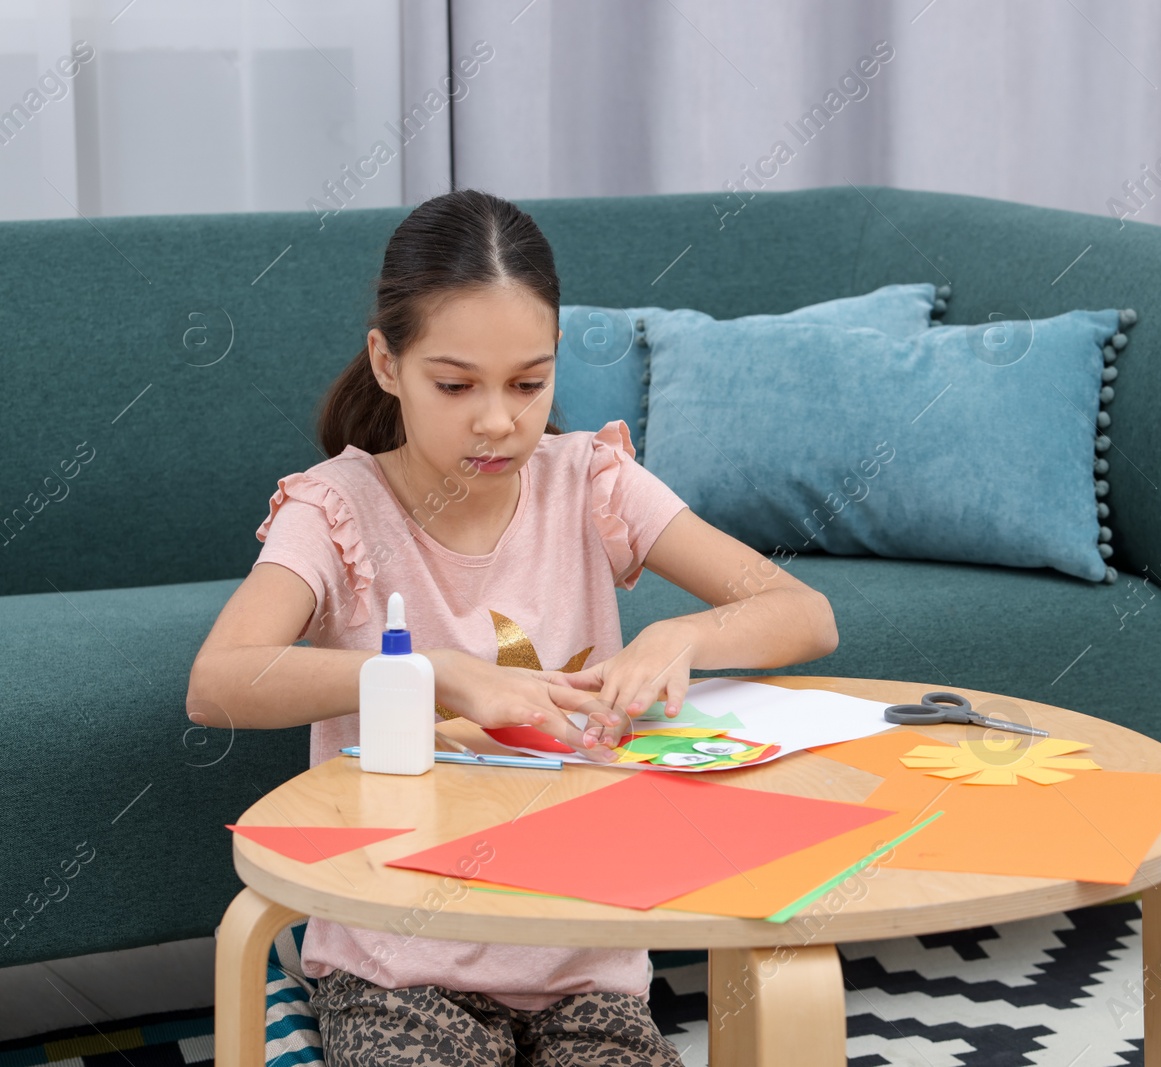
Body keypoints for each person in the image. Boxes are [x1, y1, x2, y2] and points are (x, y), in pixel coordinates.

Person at [186, 188, 839, 1066]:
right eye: (455, 385)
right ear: (387, 363)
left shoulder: (589, 480)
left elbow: (804, 614)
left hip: (586, 962)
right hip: (396, 962)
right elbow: (219, 681)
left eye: (530, 382)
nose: (499, 420)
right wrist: (437, 673)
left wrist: (674, 638)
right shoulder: (338, 507)